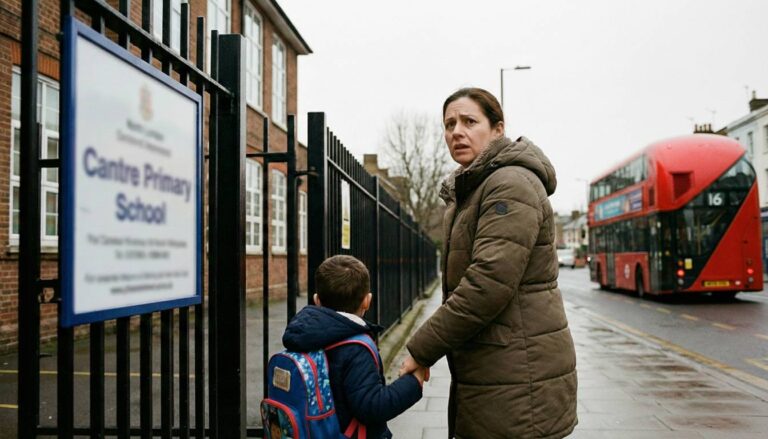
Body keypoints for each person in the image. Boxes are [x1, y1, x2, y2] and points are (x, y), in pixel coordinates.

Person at [400, 87, 578, 438]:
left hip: (519, 374)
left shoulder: (509, 183)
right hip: (499, 368)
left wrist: (422, 350)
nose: (456, 132)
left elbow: (487, 285)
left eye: (469, 121)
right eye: (449, 124)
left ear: (498, 128)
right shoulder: (473, 189)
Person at [283, 255, 427, 439]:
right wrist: (414, 382)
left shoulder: (301, 336)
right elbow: (373, 407)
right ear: (367, 301)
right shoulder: (356, 348)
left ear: (316, 299)